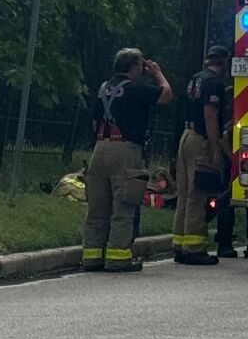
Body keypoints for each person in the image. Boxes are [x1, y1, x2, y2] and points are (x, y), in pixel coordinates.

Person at [82, 48, 172, 273]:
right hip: (125, 150)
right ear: (134, 67)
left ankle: (92, 257)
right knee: (124, 206)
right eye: (141, 65)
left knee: (97, 208)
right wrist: (157, 73)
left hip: (99, 149)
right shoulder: (136, 88)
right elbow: (166, 95)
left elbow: (94, 122)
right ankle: (117, 258)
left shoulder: (104, 88)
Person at [173, 45, 231, 265]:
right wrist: (215, 148)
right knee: (198, 194)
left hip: (186, 136)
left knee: (185, 193)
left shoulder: (197, 78)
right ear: (224, 61)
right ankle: (194, 248)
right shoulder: (215, 83)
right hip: (200, 139)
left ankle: (180, 244)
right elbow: (210, 116)